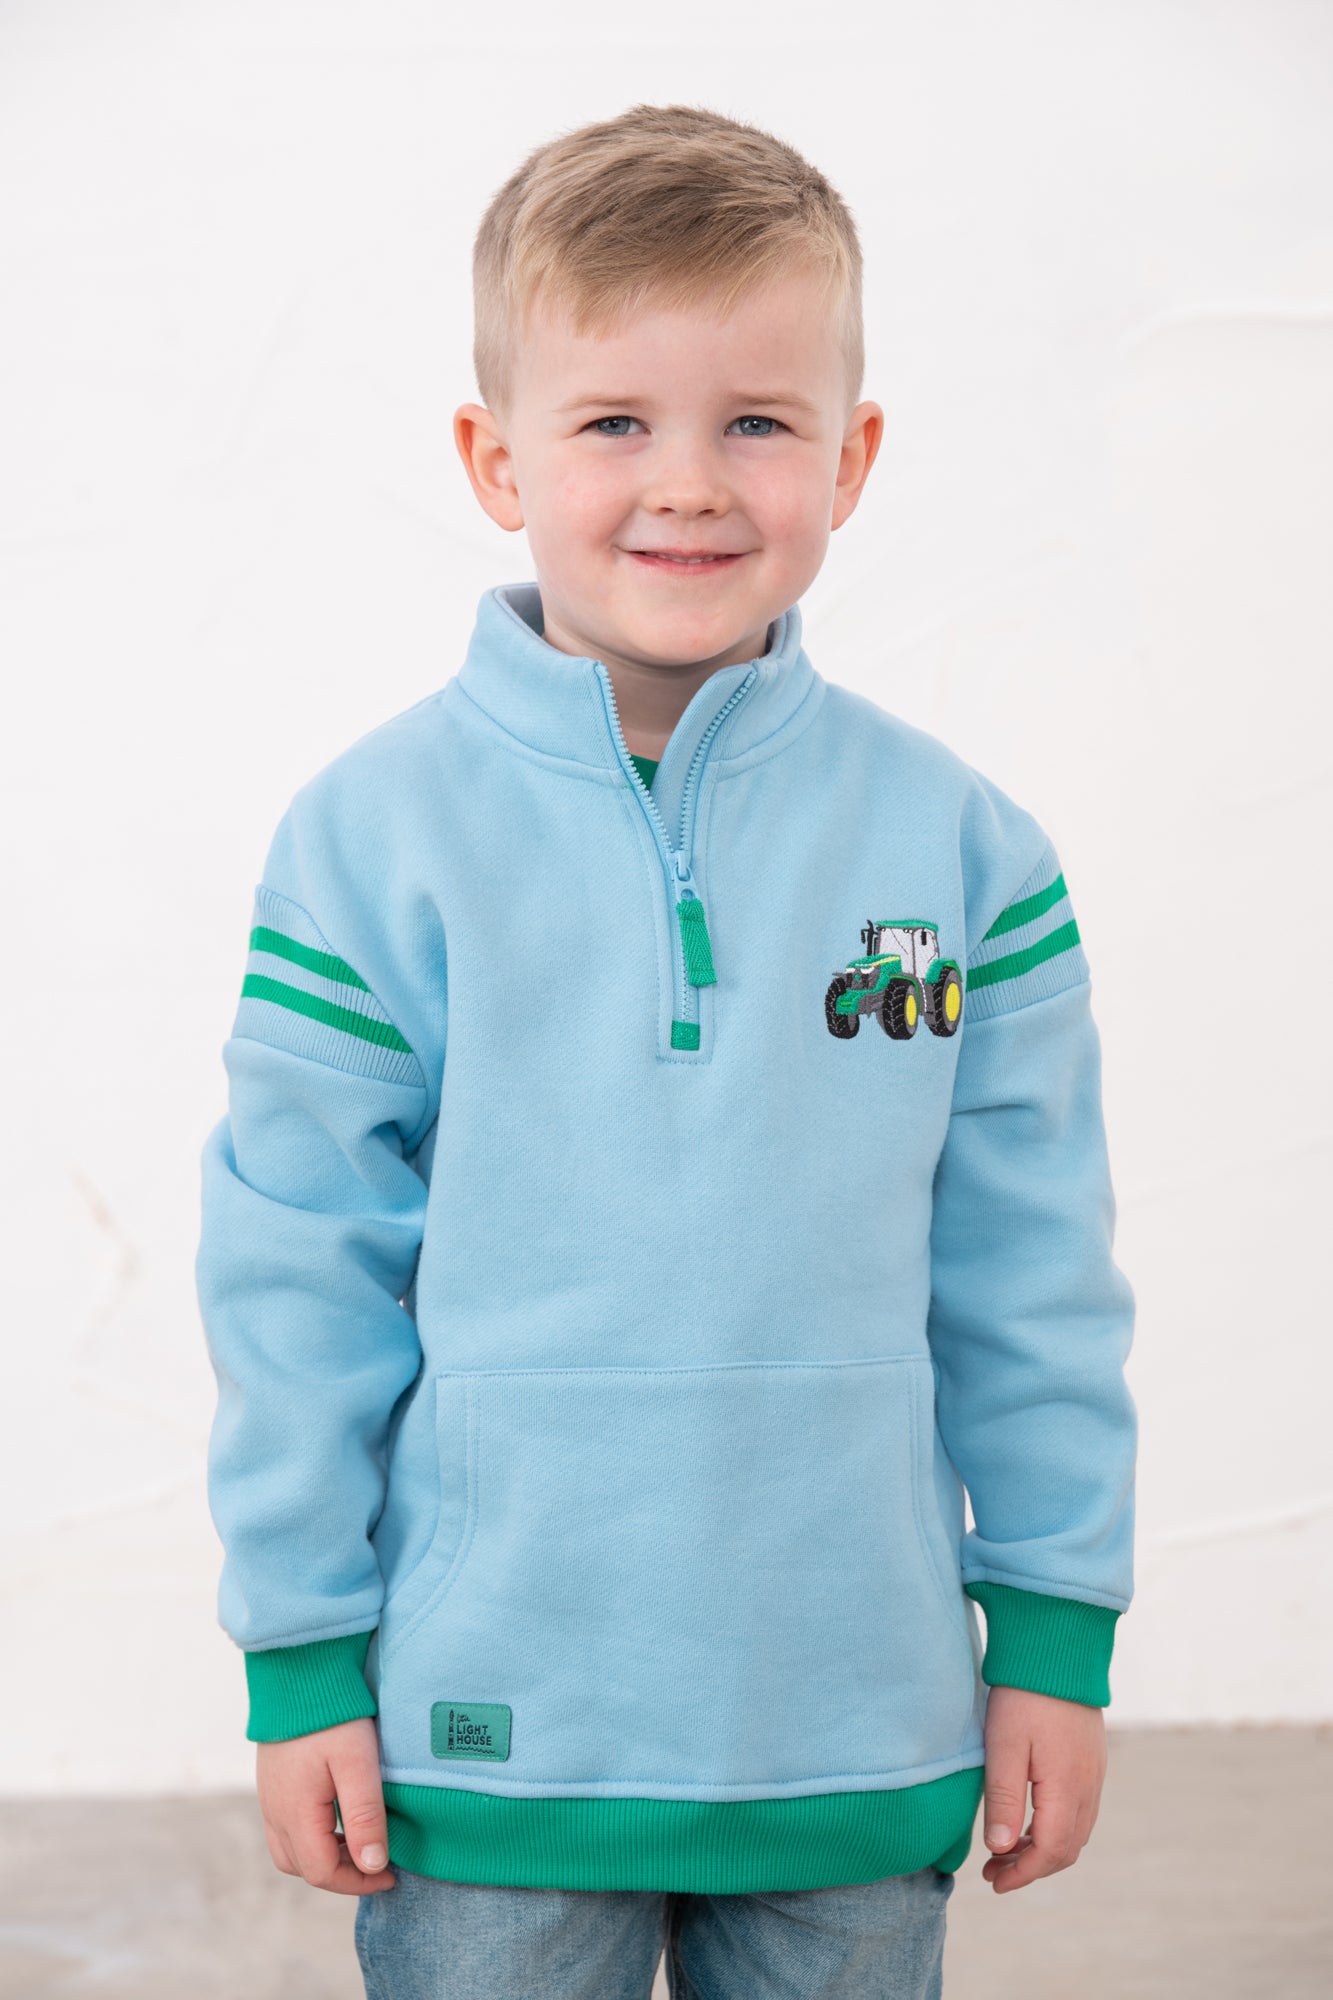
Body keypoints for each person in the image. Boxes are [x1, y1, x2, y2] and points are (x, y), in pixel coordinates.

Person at [195, 101, 1138, 2000]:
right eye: (615, 422)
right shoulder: (372, 844)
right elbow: (296, 1274)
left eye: (757, 423)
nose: (688, 485)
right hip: (485, 1741)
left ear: (851, 457)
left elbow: (1030, 1275)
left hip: (854, 1730)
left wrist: (1050, 1634)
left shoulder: (963, 854)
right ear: (496, 460)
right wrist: (298, 1653)